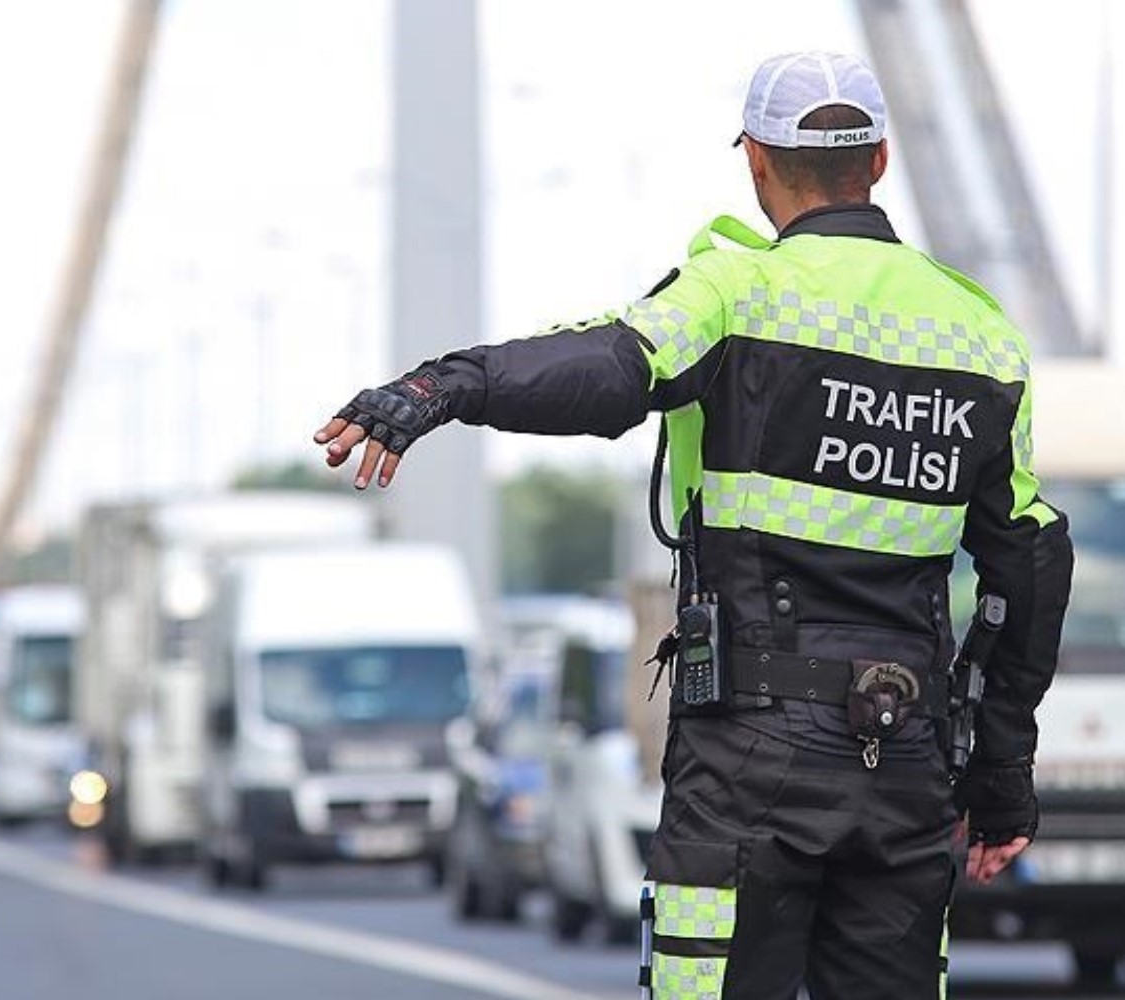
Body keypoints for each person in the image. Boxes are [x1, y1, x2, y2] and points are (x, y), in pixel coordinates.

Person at [314, 51, 1073, 1000]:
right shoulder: (982, 337)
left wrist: (441, 388)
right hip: (906, 760)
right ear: (879, 161)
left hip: (750, 761)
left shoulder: (735, 291)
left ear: (756, 160)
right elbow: (1031, 564)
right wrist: (1001, 774)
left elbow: (604, 369)